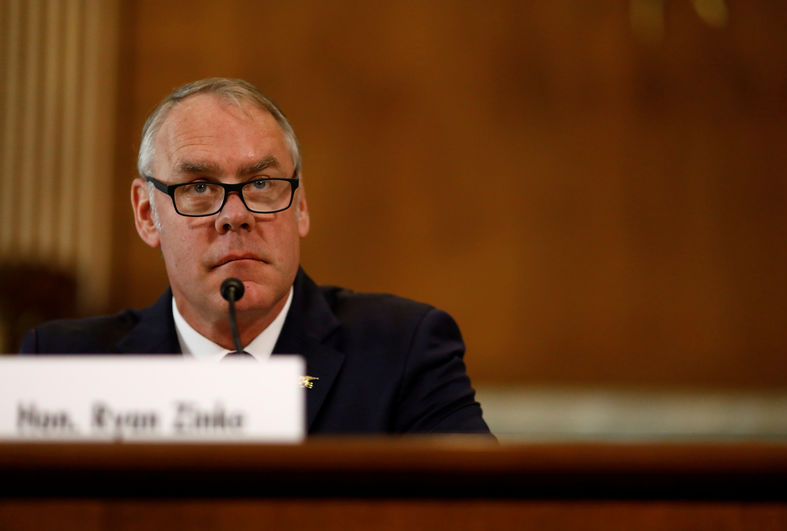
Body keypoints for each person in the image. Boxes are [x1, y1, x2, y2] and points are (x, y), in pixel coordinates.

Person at [20, 77, 491, 436]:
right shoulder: (64, 365)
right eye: (199, 187)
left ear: (300, 205)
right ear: (147, 215)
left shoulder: (403, 352)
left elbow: (480, 515)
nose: (236, 215)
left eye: (261, 185)